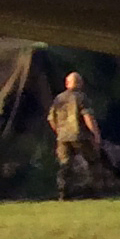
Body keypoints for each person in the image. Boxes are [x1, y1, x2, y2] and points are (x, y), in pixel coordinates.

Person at [47, 70, 108, 199]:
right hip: (80, 135)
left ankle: (63, 193)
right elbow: (88, 117)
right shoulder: (81, 97)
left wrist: (58, 131)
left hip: (62, 137)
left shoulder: (58, 98)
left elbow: (51, 119)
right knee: (93, 161)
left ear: (66, 83)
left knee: (65, 165)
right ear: (80, 83)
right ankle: (97, 192)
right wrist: (95, 134)